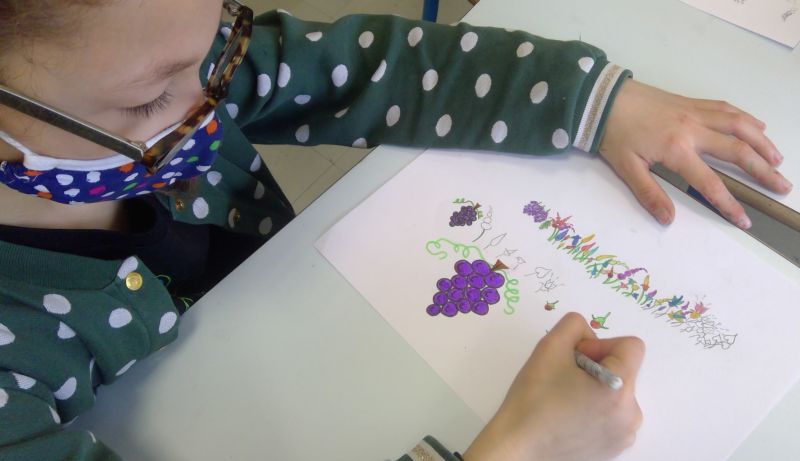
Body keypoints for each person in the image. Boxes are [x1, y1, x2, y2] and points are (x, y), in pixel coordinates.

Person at [0, 1, 790, 460]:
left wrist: (595, 101)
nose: (210, 98)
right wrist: (520, 448)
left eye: (216, 41)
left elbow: (378, 66)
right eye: (147, 103)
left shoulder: (157, 58)